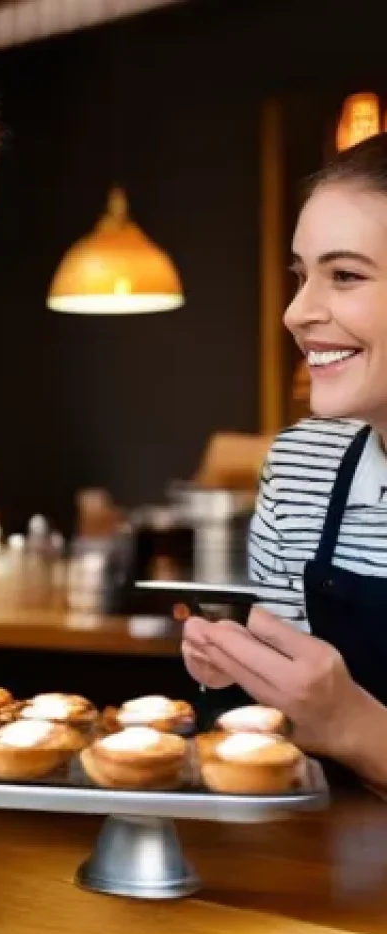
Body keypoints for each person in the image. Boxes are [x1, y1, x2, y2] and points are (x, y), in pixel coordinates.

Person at [182, 132, 387, 789]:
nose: (295, 312)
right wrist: (251, 676)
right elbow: (289, 750)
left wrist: (355, 726)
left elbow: (338, 726)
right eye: (301, 276)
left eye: (346, 275)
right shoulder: (302, 465)